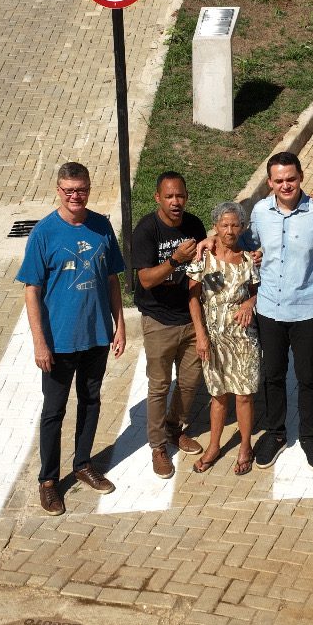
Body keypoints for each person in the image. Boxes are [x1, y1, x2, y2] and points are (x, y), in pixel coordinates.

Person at [18, 161, 126, 515]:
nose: (75, 196)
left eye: (81, 190)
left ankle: (83, 464)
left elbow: (112, 279)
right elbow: (31, 290)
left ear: (89, 189)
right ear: (58, 190)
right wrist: (39, 342)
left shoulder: (101, 226)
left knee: (91, 401)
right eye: (68, 190)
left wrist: (119, 324)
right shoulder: (44, 233)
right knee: (54, 411)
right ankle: (48, 481)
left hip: (95, 336)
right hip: (59, 342)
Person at [244, 151, 313, 471]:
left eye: (291, 178)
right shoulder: (260, 211)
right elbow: (247, 245)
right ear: (269, 182)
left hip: (308, 312)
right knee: (272, 375)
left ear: (301, 177)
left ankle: (308, 435)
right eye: (279, 180)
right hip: (269, 309)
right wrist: (249, 254)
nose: (285, 185)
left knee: (307, 375)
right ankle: (275, 433)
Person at [131, 171, 208, 478]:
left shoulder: (193, 224)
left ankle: (175, 428)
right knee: (159, 386)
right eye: (170, 197)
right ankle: (158, 447)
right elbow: (146, 279)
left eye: (180, 196)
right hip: (158, 319)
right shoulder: (146, 230)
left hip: (190, 317)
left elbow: (204, 261)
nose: (176, 202)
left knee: (190, 382)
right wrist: (175, 260)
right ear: (158, 198)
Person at [186, 202, 260, 476]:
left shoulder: (248, 258)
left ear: (242, 227)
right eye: (224, 225)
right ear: (215, 227)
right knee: (218, 395)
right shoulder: (203, 255)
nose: (230, 230)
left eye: (235, 225)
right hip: (213, 337)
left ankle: (244, 447)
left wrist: (249, 303)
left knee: (244, 396)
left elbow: (255, 290)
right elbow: (193, 297)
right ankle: (214, 446)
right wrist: (201, 335)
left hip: (243, 337)